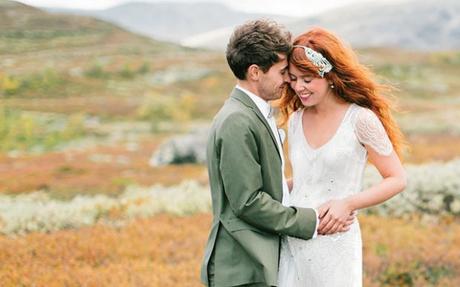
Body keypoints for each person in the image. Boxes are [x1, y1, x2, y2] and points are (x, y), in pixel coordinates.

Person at [200, 20, 355, 287]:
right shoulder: (237, 120)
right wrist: (313, 220)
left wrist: (301, 183)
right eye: (283, 71)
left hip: (258, 262)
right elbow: (248, 202)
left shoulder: (254, 113)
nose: (288, 80)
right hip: (242, 267)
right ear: (255, 72)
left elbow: (251, 184)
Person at [276, 27, 407, 286]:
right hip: (293, 238)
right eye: (293, 78)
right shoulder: (295, 120)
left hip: (336, 242)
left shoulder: (360, 120)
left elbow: (397, 178)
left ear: (330, 75)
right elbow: (307, 179)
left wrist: (347, 204)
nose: (299, 87)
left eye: (307, 78)